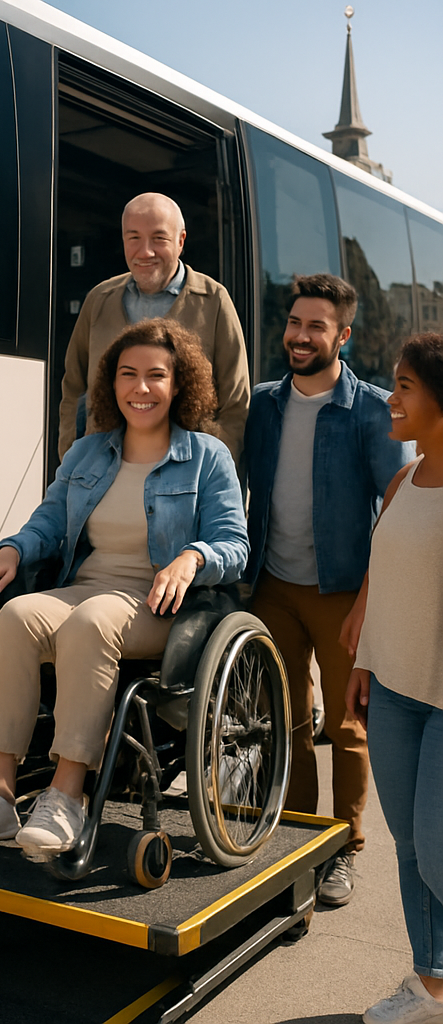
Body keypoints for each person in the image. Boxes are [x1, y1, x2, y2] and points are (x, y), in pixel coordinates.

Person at [0, 319, 248, 855]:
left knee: (92, 620)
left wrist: (192, 557)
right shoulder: (88, 452)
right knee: (17, 614)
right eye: (128, 374)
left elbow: (234, 545)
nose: (140, 388)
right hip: (86, 590)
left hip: (159, 605)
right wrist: (12, 549)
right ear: (111, 383)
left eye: (155, 376)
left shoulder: (207, 457)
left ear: (178, 384)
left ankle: (66, 796)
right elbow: (48, 521)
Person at [242, 273, 414, 908]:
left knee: (346, 727)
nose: (301, 335)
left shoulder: (371, 409)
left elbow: (397, 510)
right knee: (284, 721)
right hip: (273, 587)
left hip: (342, 591)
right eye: (294, 323)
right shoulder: (263, 404)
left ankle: (345, 847)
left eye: (317, 326)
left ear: (342, 335)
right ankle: (295, 835)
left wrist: (372, 602)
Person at [343, 334, 443, 1024]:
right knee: (408, 845)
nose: (392, 396)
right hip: (396, 691)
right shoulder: (403, 480)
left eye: (405, 384)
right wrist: (363, 657)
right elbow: (384, 573)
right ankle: (430, 984)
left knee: (437, 848)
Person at [58, 192, 250, 462]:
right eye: (133, 237)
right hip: (104, 472)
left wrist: (212, 474)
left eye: (159, 238)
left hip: (184, 482)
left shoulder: (214, 301)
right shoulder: (99, 300)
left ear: (181, 240)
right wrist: (72, 458)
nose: (145, 251)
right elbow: (73, 388)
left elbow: (235, 403)